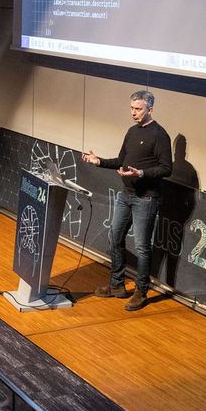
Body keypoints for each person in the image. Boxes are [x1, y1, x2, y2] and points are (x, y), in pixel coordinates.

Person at [82, 90, 172, 311]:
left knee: (142, 247)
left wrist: (141, 174)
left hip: (146, 199)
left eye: (138, 109)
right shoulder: (132, 132)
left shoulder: (160, 135)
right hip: (126, 195)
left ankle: (141, 291)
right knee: (115, 237)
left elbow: (166, 168)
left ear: (150, 109)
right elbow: (122, 161)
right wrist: (99, 161)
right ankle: (117, 285)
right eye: (131, 108)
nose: (133, 113)